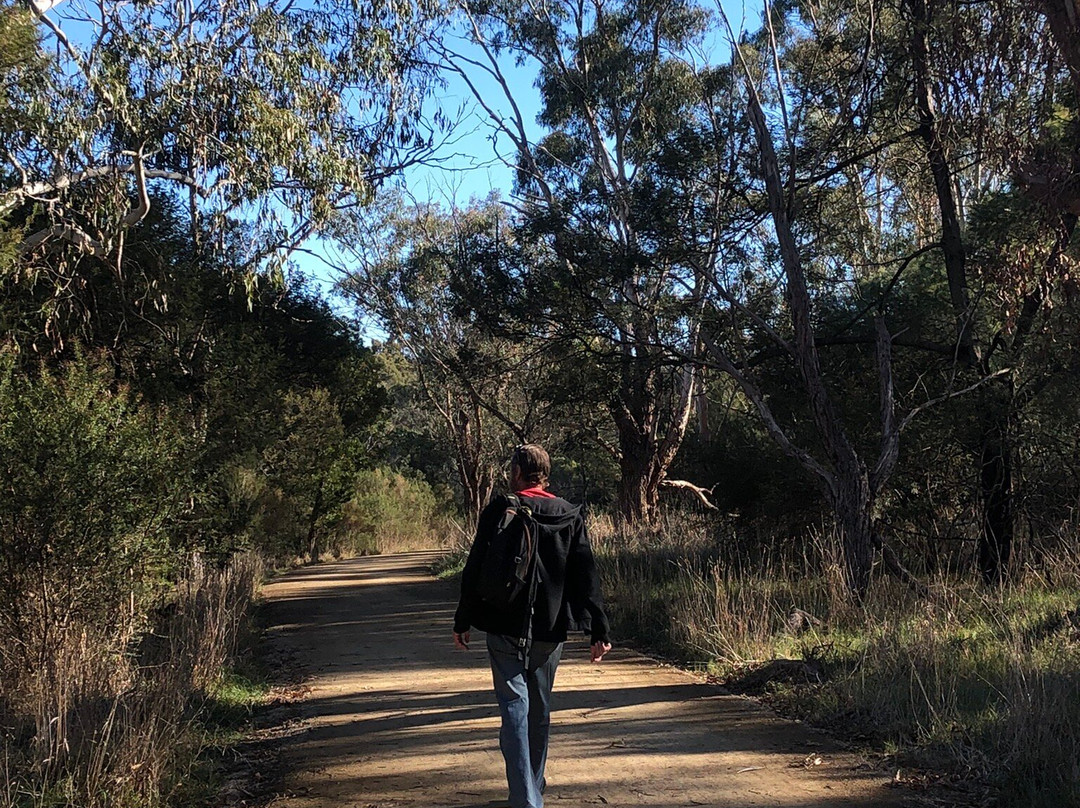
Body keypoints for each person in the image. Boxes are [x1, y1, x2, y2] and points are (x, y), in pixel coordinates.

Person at [453, 444, 611, 808]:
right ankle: (531, 790)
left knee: (513, 708)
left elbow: (475, 566)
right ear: (546, 473)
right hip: (549, 631)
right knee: (539, 711)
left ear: (517, 472)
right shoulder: (567, 514)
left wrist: (464, 619)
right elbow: (585, 574)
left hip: (504, 625)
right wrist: (598, 630)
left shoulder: (501, 508)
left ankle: (526, 798)